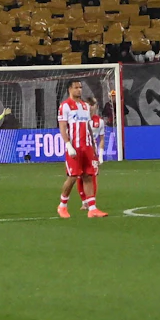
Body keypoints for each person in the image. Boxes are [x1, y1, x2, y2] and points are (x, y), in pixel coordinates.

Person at [57, 80, 107, 218]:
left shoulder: (85, 106)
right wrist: (68, 144)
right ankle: (62, 206)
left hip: (87, 146)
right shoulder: (65, 106)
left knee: (88, 176)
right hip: (74, 146)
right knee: (73, 176)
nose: (79, 90)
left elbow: (88, 126)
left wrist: (94, 146)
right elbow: (62, 127)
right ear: (69, 90)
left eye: (80, 87)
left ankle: (92, 209)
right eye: (76, 88)